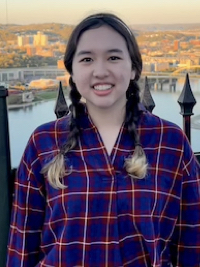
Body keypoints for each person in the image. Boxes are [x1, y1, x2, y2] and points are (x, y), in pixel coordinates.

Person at [7, 13, 200, 267]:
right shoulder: (43, 141)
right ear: (72, 72)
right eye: (87, 59)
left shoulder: (171, 141)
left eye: (114, 57)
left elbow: (192, 243)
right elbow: (23, 244)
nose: (100, 71)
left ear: (133, 68)